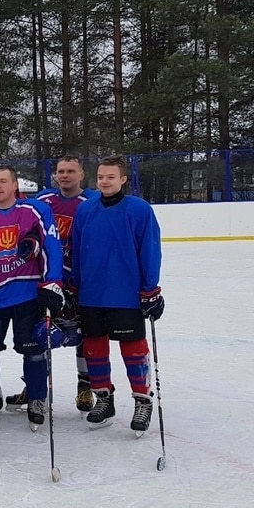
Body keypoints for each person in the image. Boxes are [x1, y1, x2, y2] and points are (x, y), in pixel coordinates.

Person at [0, 165, 64, 431]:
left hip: (27, 293)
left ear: (15, 184)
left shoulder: (35, 211)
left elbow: (51, 246)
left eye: (3, 181)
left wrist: (53, 283)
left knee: (34, 350)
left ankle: (38, 398)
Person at [72, 156, 163, 432]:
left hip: (126, 293)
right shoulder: (86, 211)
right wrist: (75, 285)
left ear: (123, 179)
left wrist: (150, 289)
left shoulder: (138, 210)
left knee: (133, 350)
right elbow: (76, 251)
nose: (104, 181)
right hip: (91, 294)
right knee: (94, 349)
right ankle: (103, 398)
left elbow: (150, 250)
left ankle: (142, 400)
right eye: (100, 177)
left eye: (111, 177)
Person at [8, 155, 100, 413]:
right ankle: (34, 386)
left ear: (82, 174)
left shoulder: (91, 202)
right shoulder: (44, 201)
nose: (65, 176)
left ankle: (84, 386)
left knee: (83, 334)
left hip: (79, 280)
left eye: (71, 171)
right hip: (47, 280)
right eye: (61, 171)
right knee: (38, 334)